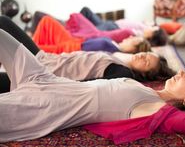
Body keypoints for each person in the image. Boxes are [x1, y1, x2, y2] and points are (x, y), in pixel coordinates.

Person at [0, 29, 185, 143]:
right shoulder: (150, 91)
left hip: (48, 105)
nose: (181, 71)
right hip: (48, 80)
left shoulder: (157, 109)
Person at [0, 16, 175, 93]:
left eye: (146, 62)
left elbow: (88, 86)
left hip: (42, 73)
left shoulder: (123, 73)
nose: (142, 57)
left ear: (145, 74)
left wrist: (51, 85)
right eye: (146, 54)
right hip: (45, 58)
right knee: (4, 23)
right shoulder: (120, 59)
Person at [33, 15, 151, 54]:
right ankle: (33, 43)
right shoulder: (114, 46)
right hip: (74, 41)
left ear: (133, 50)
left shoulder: (111, 48)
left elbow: (70, 50)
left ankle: (32, 45)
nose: (130, 37)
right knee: (47, 22)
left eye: (134, 40)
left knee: (46, 21)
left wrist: (38, 50)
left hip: (70, 45)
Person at [80, 7, 169, 46]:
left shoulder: (140, 37)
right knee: (86, 10)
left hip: (112, 28)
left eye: (153, 28)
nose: (152, 26)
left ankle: (71, 35)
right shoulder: (144, 27)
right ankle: (74, 28)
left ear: (153, 34)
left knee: (87, 35)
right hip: (108, 23)